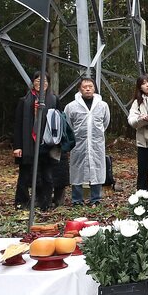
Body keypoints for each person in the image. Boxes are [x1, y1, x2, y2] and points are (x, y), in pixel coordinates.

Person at [11, 72, 54, 211]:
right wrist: (17, 146)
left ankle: (44, 202)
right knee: (25, 174)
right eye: (38, 80)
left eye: (45, 81)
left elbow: (59, 121)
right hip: (28, 143)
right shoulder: (24, 101)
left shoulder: (53, 100)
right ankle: (22, 201)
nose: (41, 83)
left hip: (46, 143)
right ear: (33, 82)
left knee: (46, 174)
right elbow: (17, 124)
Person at [64, 76, 110, 206]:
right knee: (77, 169)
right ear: (80, 89)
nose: (88, 89)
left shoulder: (103, 105)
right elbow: (68, 124)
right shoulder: (71, 106)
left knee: (97, 168)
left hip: (96, 143)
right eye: (85, 87)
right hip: (78, 143)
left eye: (90, 86)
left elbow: (105, 122)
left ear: (94, 88)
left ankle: (96, 198)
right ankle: (77, 200)